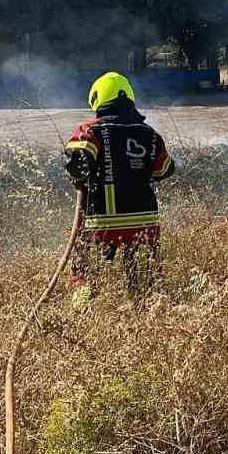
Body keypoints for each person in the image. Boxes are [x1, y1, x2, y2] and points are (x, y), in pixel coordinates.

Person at [63, 72, 176, 295]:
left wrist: (80, 179)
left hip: (101, 222)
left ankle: (83, 304)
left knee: (83, 263)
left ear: (98, 99)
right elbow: (165, 170)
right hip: (145, 223)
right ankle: (144, 303)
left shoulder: (89, 131)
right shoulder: (150, 135)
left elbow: (75, 165)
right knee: (142, 274)